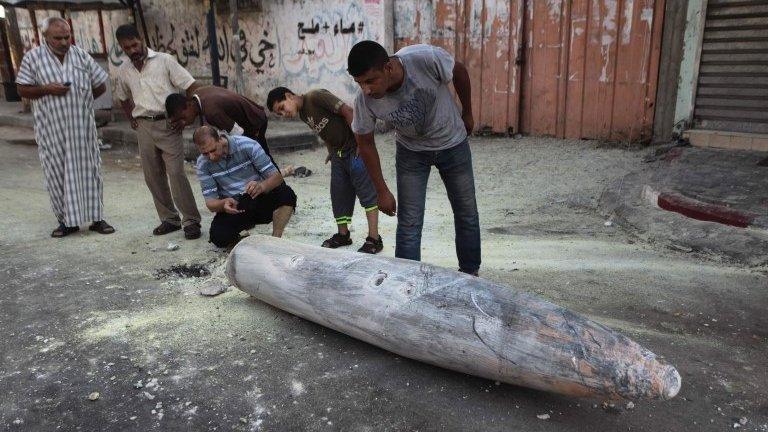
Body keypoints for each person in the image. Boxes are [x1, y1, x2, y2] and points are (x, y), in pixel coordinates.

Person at [347, 40, 481, 275]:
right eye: (359, 83)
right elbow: (365, 142)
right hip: (411, 153)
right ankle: (406, 282)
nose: (366, 89)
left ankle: (470, 274)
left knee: (466, 212)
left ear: (388, 68)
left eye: (370, 81)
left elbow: (459, 71)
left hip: (452, 144)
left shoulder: (425, 59)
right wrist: (382, 191)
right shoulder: (364, 100)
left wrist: (467, 112)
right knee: (409, 221)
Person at [16, 17, 115, 238]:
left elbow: (99, 85)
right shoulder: (33, 58)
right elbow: (22, 89)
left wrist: (83, 100)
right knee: (57, 174)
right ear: (45, 38)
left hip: (82, 129)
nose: (63, 41)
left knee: (91, 171)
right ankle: (66, 222)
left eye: (66, 36)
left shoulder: (80, 55)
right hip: (52, 130)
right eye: (57, 38)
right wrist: (47, 89)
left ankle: (97, 218)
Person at [266, 87, 384, 254]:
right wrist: (331, 152)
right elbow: (324, 132)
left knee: (367, 193)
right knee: (339, 194)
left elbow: (348, 112)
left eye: (282, 108)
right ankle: (343, 235)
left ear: (288, 96)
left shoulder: (315, 97)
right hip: (338, 154)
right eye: (279, 114)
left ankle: (374, 238)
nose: (283, 114)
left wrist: (361, 143)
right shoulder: (303, 114)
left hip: (354, 150)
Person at [113, 24, 202, 240]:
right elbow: (122, 98)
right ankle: (169, 219)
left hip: (168, 124)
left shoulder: (164, 60)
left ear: (141, 39)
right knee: (153, 175)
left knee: (176, 173)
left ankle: (190, 221)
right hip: (143, 125)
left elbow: (192, 85)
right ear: (122, 48)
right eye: (127, 48)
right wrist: (131, 118)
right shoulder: (124, 70)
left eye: (135, 44)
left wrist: (186, 115)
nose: (133, 50)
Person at [164, 88, 309, 178]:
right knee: (260, 159)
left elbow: (238, 134)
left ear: (189, 105)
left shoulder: (211, 112)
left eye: (183, 118)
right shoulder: (199, 94)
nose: (183, 122)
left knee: (260, 159)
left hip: (255, 122)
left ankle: (279, 192)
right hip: (253, 116)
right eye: (179, 121)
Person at [193, 126, 297, 248]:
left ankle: (276, 239)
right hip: (236, 206)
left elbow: (277, 178)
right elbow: (210, 203)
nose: (211, 157)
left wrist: (262, 186)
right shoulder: (202, 164)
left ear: (220, 139)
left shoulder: (248, 145)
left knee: (286, 194)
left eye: (213, 150)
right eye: (205, 153)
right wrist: (223, 204)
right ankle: (243, 244)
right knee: (218, 237)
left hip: (259, 197)